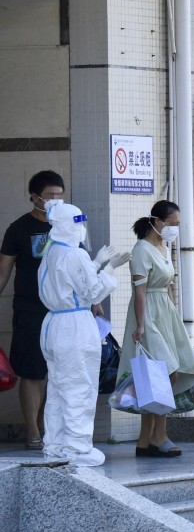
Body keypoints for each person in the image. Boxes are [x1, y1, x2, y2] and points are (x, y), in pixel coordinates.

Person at [0, 171, 93, 449]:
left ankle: (47, 426)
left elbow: (82, 270)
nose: (56, 201)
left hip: (64, 312)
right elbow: (3, 272)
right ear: (34, 196)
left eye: (59, 195)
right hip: (30, 309)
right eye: (50, 196)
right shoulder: (18, 229)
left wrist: (95, 302)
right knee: (31, 370)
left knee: (60, 371)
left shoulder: (69, 226)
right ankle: (32, 431)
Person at [37, 202, 129, 466]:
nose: (81, 229)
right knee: (79, 387)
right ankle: (77, 448)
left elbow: (70, 281)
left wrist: (96, 262)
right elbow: (93, 292)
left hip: (54, 325)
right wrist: (109, 268)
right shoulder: (73, 255)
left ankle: (55, 445)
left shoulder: (51, 251)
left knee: (57, 388)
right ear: (68, 225)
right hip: (73, 326)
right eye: (77, 223)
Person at [120, 201, 194, 457]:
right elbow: (139, 292)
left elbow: (167, 285)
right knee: (163, 373)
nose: (175, 229)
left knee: (161, 373)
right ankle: (160, 435)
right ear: (157, 222)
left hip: (165, 312)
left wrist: (173, 315)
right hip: (147, 312)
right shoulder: (141, 250)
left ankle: (145, 439)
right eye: (173, 224)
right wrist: (140, 325)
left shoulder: (163, 248)